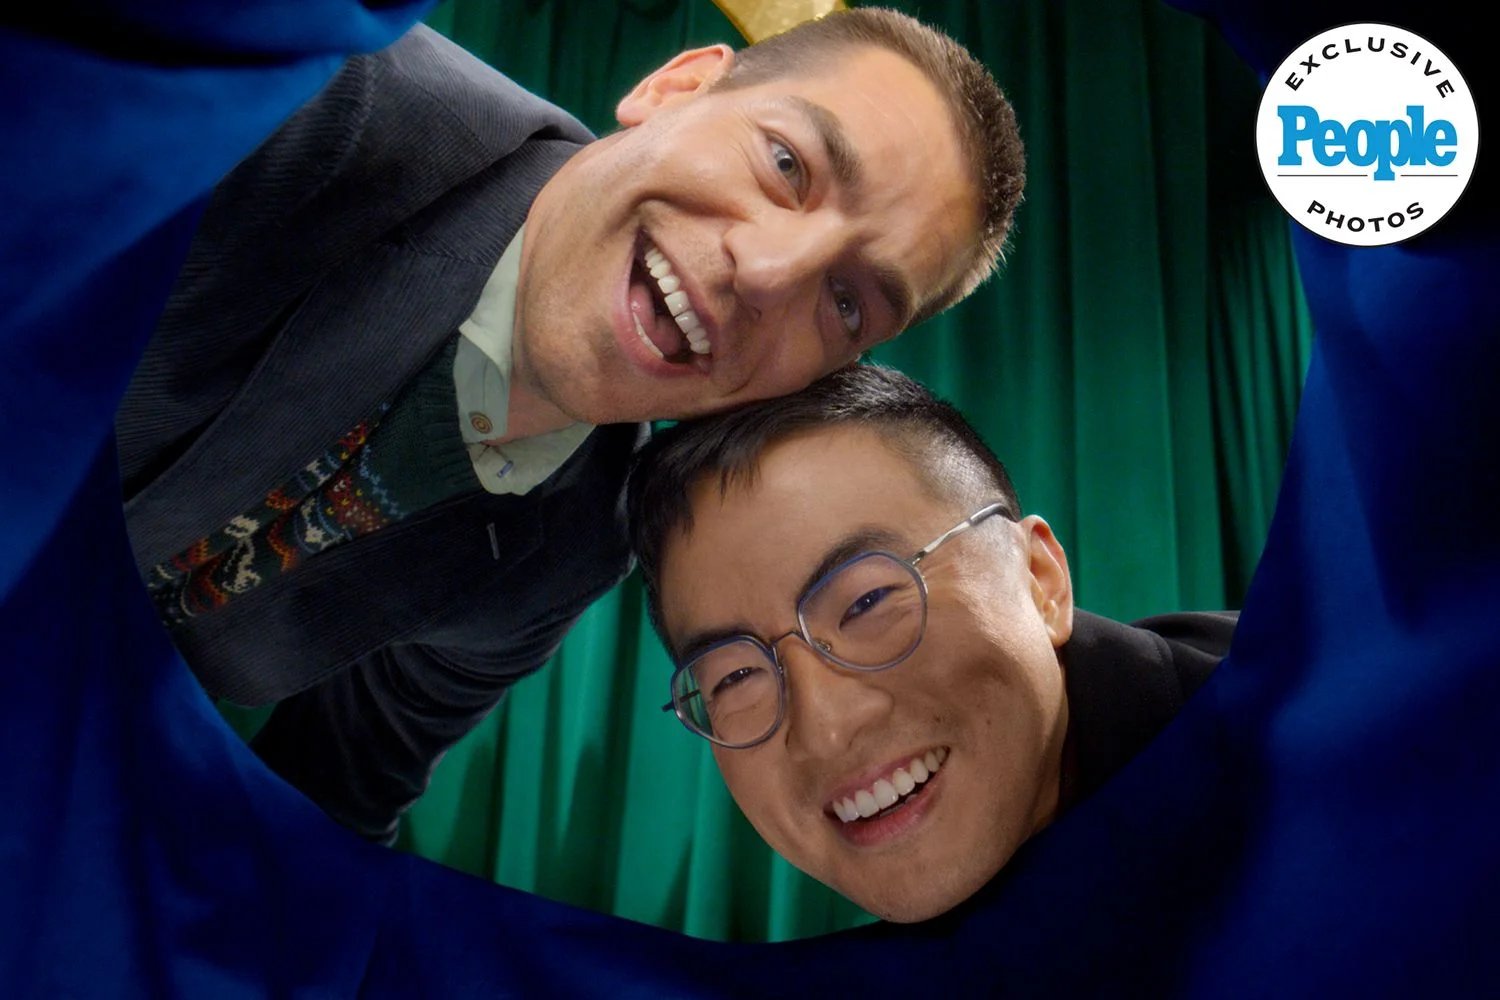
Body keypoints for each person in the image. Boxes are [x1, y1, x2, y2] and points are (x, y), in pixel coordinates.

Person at [113, 8, 1025, 844]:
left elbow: (329, 803)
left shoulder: (576, 549)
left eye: (846, 301)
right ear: (675, 87)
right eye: (787, 165)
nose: (766, 271)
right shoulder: (307, 83)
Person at [625, 362, 1236, 922]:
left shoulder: (1277, 739)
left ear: (1040, 580)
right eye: (734, 676)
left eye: (867, 602)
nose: (827, 728)